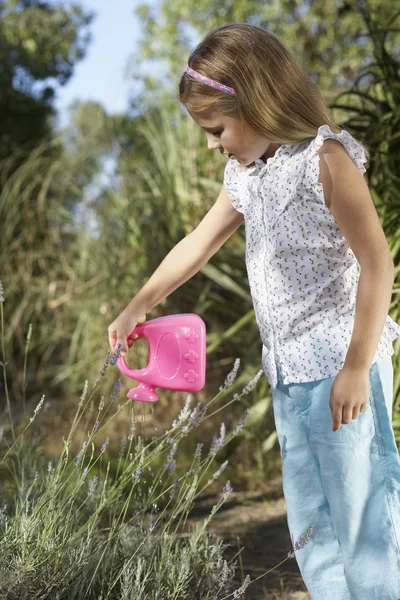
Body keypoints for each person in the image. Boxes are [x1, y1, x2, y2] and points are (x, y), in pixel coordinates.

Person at [108, 23, 400, 599]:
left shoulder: (327, 159)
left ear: (258, 102)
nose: (212, 144)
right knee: (313, 523)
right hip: (289, 375)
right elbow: (198, 242)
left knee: (363, 513)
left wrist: (356, 366)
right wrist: (138, 302)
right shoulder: (244, 175)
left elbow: (377, 263)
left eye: (216, 129)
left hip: (342, 365)